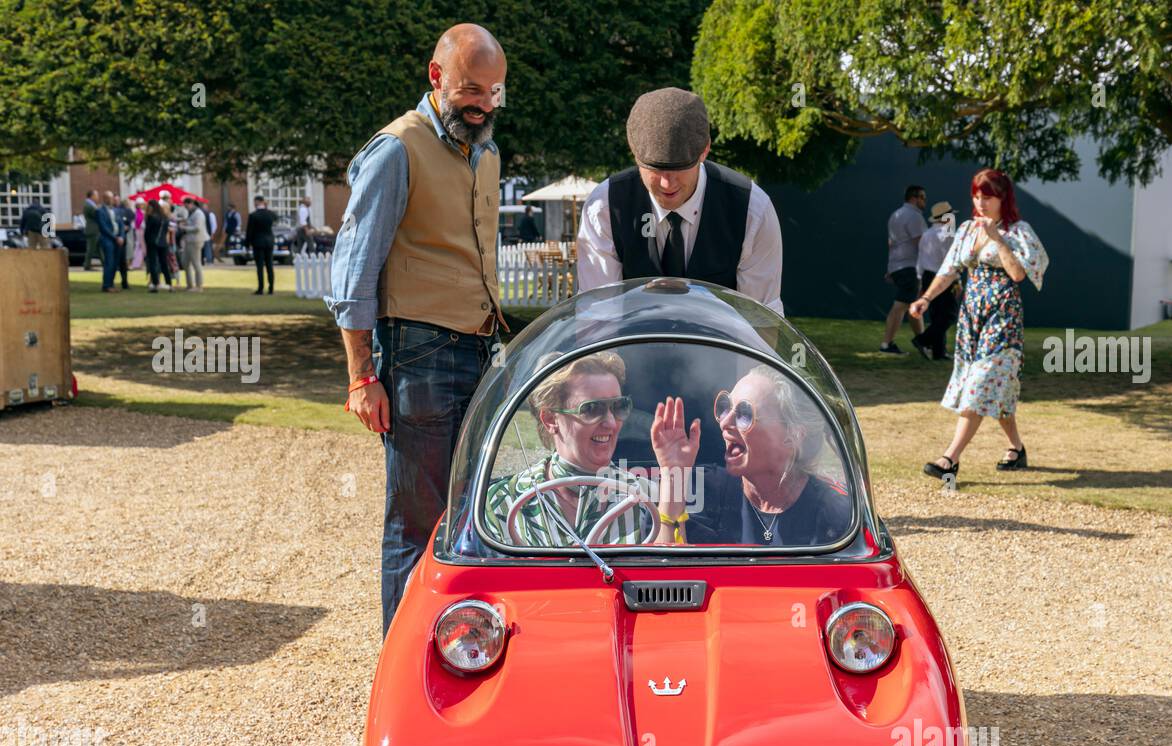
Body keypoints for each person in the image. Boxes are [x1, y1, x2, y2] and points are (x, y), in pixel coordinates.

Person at [326, 23, 508, 635]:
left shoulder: (485, 151)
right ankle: (403, 671)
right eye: (471, 89)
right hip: (417, 356)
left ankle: (455, 647)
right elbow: (353, 271)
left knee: (468, 515)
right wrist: (360, 377)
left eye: (495, 92)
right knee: (415, 523)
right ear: (436, 78)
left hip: (480, 353)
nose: (483, 104)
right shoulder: (395, 150)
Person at [578, 87, 784, 313]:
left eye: (680, 168)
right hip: (628, 347)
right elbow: (598, 315)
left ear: (704, 150)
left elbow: (760, 319)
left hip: (721, 347)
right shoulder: (605, 208)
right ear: (634, 152)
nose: (667, 184)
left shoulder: (751, 211)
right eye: (655, 169)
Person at [909, 168, 1049, 483]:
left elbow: (1018, 275)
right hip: (973, 318)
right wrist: (926, 299)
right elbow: (949, 269)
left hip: (1003, 318)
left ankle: (950, 459)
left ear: (1003, 198)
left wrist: (998, 239)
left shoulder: (1018, 231)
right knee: (994, 388)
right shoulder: (968, 230)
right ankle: (1017, 448)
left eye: (988, 195)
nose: (980, 201)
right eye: (976, 195)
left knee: (981, 384)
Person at [652, 366, 851, 547]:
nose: (724, 423)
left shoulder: (836, 516)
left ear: (792, 436)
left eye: (744, 413)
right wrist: (673, 475)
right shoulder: (701, 491)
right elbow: (662, 576)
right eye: (725, 407)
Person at [484, 352, 660, 546]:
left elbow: (670, 573)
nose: (611, 423)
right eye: (592, 408)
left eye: (619, 406)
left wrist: (671, 473)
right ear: (551, 420)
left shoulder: (646, 497)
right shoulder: (503, 500)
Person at [880, 185, 927, 354]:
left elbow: (891, 244)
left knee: (913, 304)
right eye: (923, 198)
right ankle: (886, 344)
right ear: (914, 198)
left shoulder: (895, 215)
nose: (924, 202)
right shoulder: (914, 216)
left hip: (898, 267)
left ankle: (923, 343)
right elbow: (922, 244)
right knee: (901, 305)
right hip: (909, 267)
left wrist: (890, 267)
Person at [913, 200, 958, 360]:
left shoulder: (926, 234)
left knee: (937, 315)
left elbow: (920, 259)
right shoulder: (948, 235)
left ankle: (938, 352)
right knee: (949, 315)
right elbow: (951, 260)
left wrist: (920, 280)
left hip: (927, 275)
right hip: (943, 277)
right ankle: (922, 340)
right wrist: (957, 279)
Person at [246, 195, 278, 294]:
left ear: (257, 202)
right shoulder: (270, 214)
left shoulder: (253, 215)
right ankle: (271, 288)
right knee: (269, 265)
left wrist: (247, 244)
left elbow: (249, 231)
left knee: (260, 266)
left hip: (258, 242)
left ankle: (261, 288)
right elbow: (276, 218)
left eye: (255, 202)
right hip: (269, 241)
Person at [144, 200, 175, 292]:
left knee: (153, 264)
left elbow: (147, 232)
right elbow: (165, 231)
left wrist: (147, 242)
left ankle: (155, 284)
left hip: (152, 243)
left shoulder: (151, 217)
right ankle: (169, 284)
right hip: (163, 243)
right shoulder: (165, 217)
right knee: (164, 264)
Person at [95, 193, 123, 292]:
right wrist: (115, 237)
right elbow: (103, 227)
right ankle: (106, 285)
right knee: (109, 262)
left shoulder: (116, 210)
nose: (112, 200)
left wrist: (121, 237)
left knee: (115, 263)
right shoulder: (99, 211)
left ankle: (111, 284)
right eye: (110, 198)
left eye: (112, 198)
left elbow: (121, 225)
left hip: (118, 240)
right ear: (105, 199)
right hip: (107, 239)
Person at [180, 196, 207, 290]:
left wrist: (184, 228)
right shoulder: (191, 213)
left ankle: (199, 286)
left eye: (187, 205)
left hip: (196, 240)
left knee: (196, 263)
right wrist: (184, 224)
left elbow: (197, 228)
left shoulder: (199, 214)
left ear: (191, 204)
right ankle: (190, 284)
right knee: (184, 262)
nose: (186, 207)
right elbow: (190, 223)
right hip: (189, 240)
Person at [112, 193, 133, 290]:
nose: (116, 202)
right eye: (114, 200)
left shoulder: (124, 211)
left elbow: (128, 223)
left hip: (122, 239)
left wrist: (126, 228)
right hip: (113, 239)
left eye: (117, 200)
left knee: (123, 262)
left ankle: (125, 282)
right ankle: (110, 282)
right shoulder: (111, 211)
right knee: (113, 262)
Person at [82, 190, 101, 270]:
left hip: (95, 230)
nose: (98, 197)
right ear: (92, 196)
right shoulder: (88, 205)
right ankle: (87, 265)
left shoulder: (91, 204)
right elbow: (96, 214)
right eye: (96, 195)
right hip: (92, 230)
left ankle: (106, 264)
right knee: (91, 249)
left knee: (100, 249)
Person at [129, 198, 146, 269]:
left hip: (140, 230)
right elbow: (138, 222)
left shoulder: (140, 212)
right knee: (139, 246)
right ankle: (137, 263)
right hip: (139, 231)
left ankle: (140, 263)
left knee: (141, 247)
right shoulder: (138, 212)